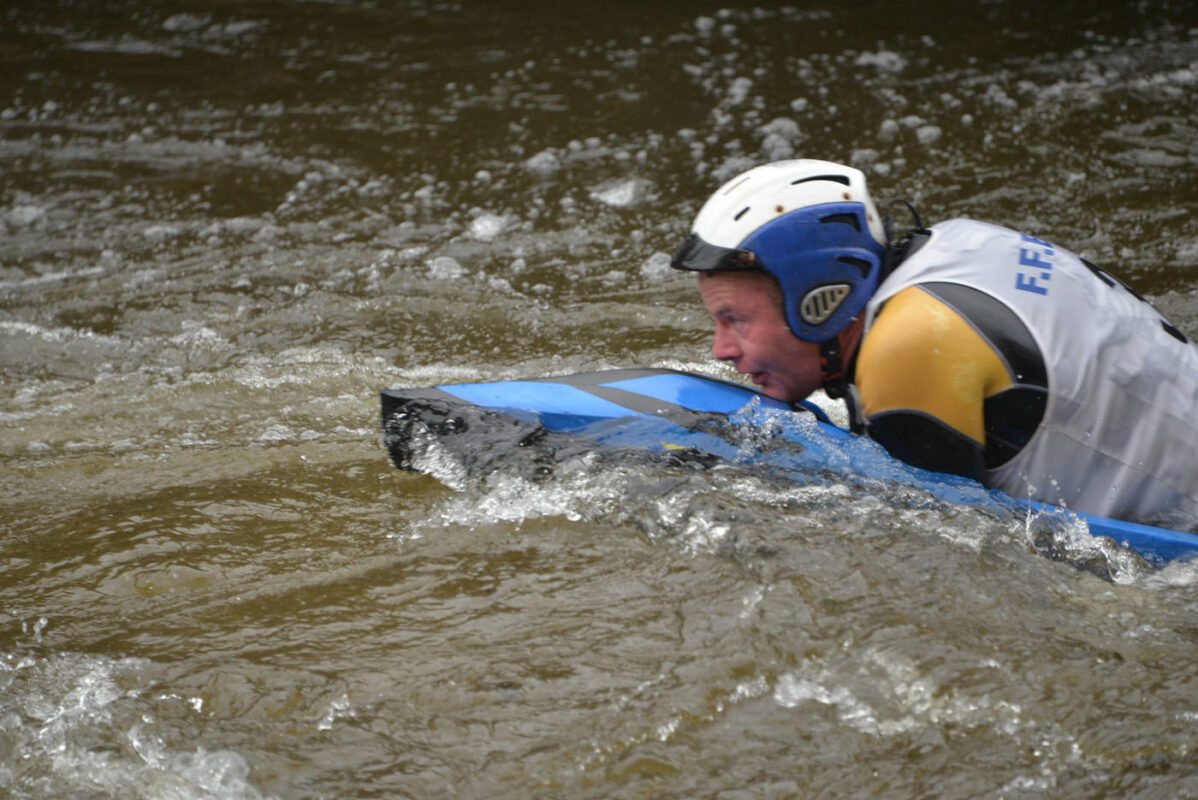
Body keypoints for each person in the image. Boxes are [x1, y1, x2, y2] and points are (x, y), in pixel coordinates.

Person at [671, 158, 1198, 530]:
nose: (721, 349)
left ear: (820, 299)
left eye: (735, 320)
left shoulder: (911, 346)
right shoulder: (958, 242)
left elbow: (940, 540)